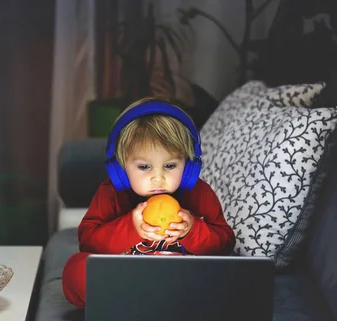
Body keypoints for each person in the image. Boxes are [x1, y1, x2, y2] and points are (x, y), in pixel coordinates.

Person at [61, 97, 236, 308]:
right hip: (128, 281)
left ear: (189, 166)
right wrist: (130, 228)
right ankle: (130, 306)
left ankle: (173, 307)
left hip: (184, 280)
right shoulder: (111, 193)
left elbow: (225, 243)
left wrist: (193, 230)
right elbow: (88, 241)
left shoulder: (199, 192)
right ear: (121, 168)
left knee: (231, 276)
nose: (158, 178)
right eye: (144, 167)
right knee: (76, 269)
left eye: (170, 166)